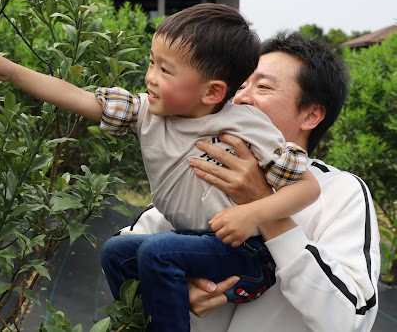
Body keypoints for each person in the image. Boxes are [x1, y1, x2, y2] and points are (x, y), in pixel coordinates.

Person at [0, 3, 320, 331]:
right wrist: (9, 70)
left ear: (212, 92)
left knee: (157, 249)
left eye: (165, 70)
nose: (151, 76)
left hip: (248, 257)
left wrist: (252, 213)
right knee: (117, 252)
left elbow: (308, 187)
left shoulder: (248, 126)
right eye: (153, 62)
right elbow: (76, 96)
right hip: (192, 245)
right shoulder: (145, 112)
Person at [127, 32, 380, 331]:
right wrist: (182, 284)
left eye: (262, 86)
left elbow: (349, 319)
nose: (242, 96)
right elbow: (131, 248)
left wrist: (262, 204)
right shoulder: (201, 167)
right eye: (241, 85)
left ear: (311, 114)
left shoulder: (340, 192)